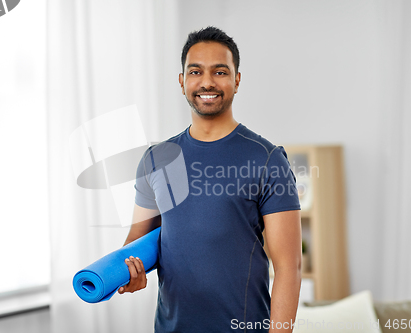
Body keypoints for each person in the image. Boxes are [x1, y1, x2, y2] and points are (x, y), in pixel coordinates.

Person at [119, 26, 302, 333]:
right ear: (182, 82)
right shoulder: (155, 160)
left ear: (236, 80)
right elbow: (136, 244)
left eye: (220, 71)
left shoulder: (267, 160)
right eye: (195, 71)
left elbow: (289, 268)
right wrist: (129, 272)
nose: (207, 82)